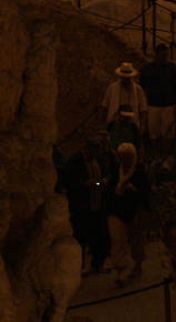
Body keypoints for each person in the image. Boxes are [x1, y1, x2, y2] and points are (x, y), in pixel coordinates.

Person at [63, 135, 117, 274]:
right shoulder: (75, 162)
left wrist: (104, 181)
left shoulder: (98, 160)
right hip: (82, 206)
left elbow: (106, 174)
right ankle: (79, 266)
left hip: (97, 204)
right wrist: (85, 184)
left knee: (99, 235)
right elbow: (69, 183)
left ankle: (98, 263)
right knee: (81, 236)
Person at [107, 143, 148, 286]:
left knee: (136, 240)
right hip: (117, 209)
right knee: (118, 240)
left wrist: (133, 189)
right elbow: (110, 185)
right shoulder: (115, 169)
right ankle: (121, 270)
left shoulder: (139, 170)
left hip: (134, 210)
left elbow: (145, 191)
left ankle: (137, 265)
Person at [139, 44, 176, 158]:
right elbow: (141, 87)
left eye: (166, 55)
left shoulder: (172, 68)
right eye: (163, 55)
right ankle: (156, 156)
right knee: (154, 133)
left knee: (168, 133)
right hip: (153, 104)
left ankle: (165, 157)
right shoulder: (147, 68)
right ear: (157, 55)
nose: (164, 57)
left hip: (168, 104)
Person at [102, 62, 148, 133]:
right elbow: (105, 106)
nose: (126, 79)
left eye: (128, 78)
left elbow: (143, 110)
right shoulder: (112, 88)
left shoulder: (138, 90)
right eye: (124, 77)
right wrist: (104, 126)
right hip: (115, 123)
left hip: (132, 124)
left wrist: (142, 128)